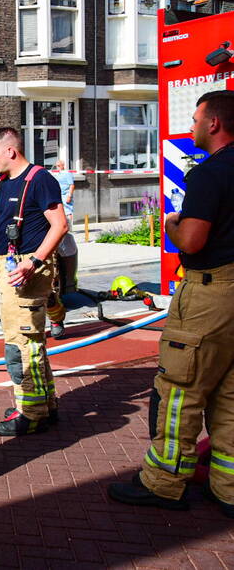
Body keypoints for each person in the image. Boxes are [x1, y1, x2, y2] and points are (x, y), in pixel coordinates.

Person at [108, 90, 234, 518]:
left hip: (209, 295)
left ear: (214, 123)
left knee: (180, 389)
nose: (192, 125)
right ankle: (228, 488)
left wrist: (172, 223)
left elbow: (194, 239)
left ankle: (164, 481)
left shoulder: (209, 174)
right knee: (231, 395)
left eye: (197, 119)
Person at [0, 128, 68, 436]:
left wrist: (34, 262)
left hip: (26, 268)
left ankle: (31, 413)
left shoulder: (40, 180)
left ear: (10, 151)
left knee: (21, 344)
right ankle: (45, 404)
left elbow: (60, 225)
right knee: (31, 343)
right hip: (11, 266)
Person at [47, 158, 77, 339]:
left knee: (49, 292)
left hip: (47, 260)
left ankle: (56, 320)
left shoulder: (56, 214)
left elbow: (68, 246)